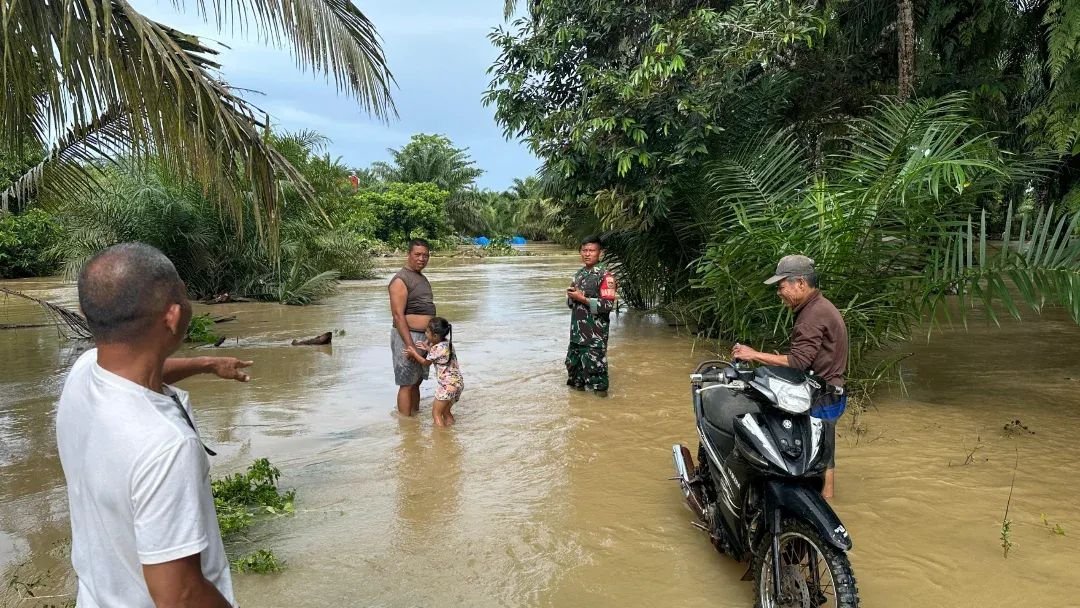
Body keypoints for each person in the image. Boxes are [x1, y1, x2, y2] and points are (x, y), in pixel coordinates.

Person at [55, 242, 254, 608]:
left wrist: (207, 364)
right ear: (173, 316)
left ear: (89, 310)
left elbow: (139, 371)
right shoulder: (166, 446)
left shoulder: (84, 373)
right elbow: (179, 595)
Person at [731, 254, 849, 499]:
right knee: (822, 449)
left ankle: (825, 498)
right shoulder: (818, 306)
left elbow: (798, 361)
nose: (779, 292)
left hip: (823, 396)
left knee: (822, 452)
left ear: (801, 284)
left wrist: (754, 354)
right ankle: (821, 496)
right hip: (830, 390)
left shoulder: (812, 314)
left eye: (782, 286)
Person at [565, 236, 618, 396]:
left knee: (597, 378)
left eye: (592, 250)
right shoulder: (579, 275)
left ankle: (601, 412)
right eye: (584, 250)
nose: (587, 254)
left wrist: (582, 298)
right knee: (574, 375)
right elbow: (571, 305)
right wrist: (571, 297)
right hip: (576, 336)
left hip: (594, 337)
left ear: (600, 253)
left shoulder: (606, 276)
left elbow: (607, 306)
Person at [389, 238, 435, 417]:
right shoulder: (401, 280)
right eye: (417, 255)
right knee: (406, 383)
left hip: (423, 337)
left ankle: (413, 421)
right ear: (408, 254)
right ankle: (405, 426)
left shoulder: (421, 278)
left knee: (416, 381)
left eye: (425, 255)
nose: (421, 259)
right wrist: (410, 346)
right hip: (407, 336)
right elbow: (398, 316)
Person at [406, 317, 464, 426]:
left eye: (427, 332)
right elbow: (440, 356)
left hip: (446, 386)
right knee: (446, 412)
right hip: (458, 384)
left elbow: (425, 363)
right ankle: (450, 434)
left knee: (436, 414)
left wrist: (414, 353)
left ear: (435, 336)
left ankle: (440, 438)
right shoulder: (448, 344)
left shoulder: (435, 349)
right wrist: (428, 348)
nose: (425, 333)